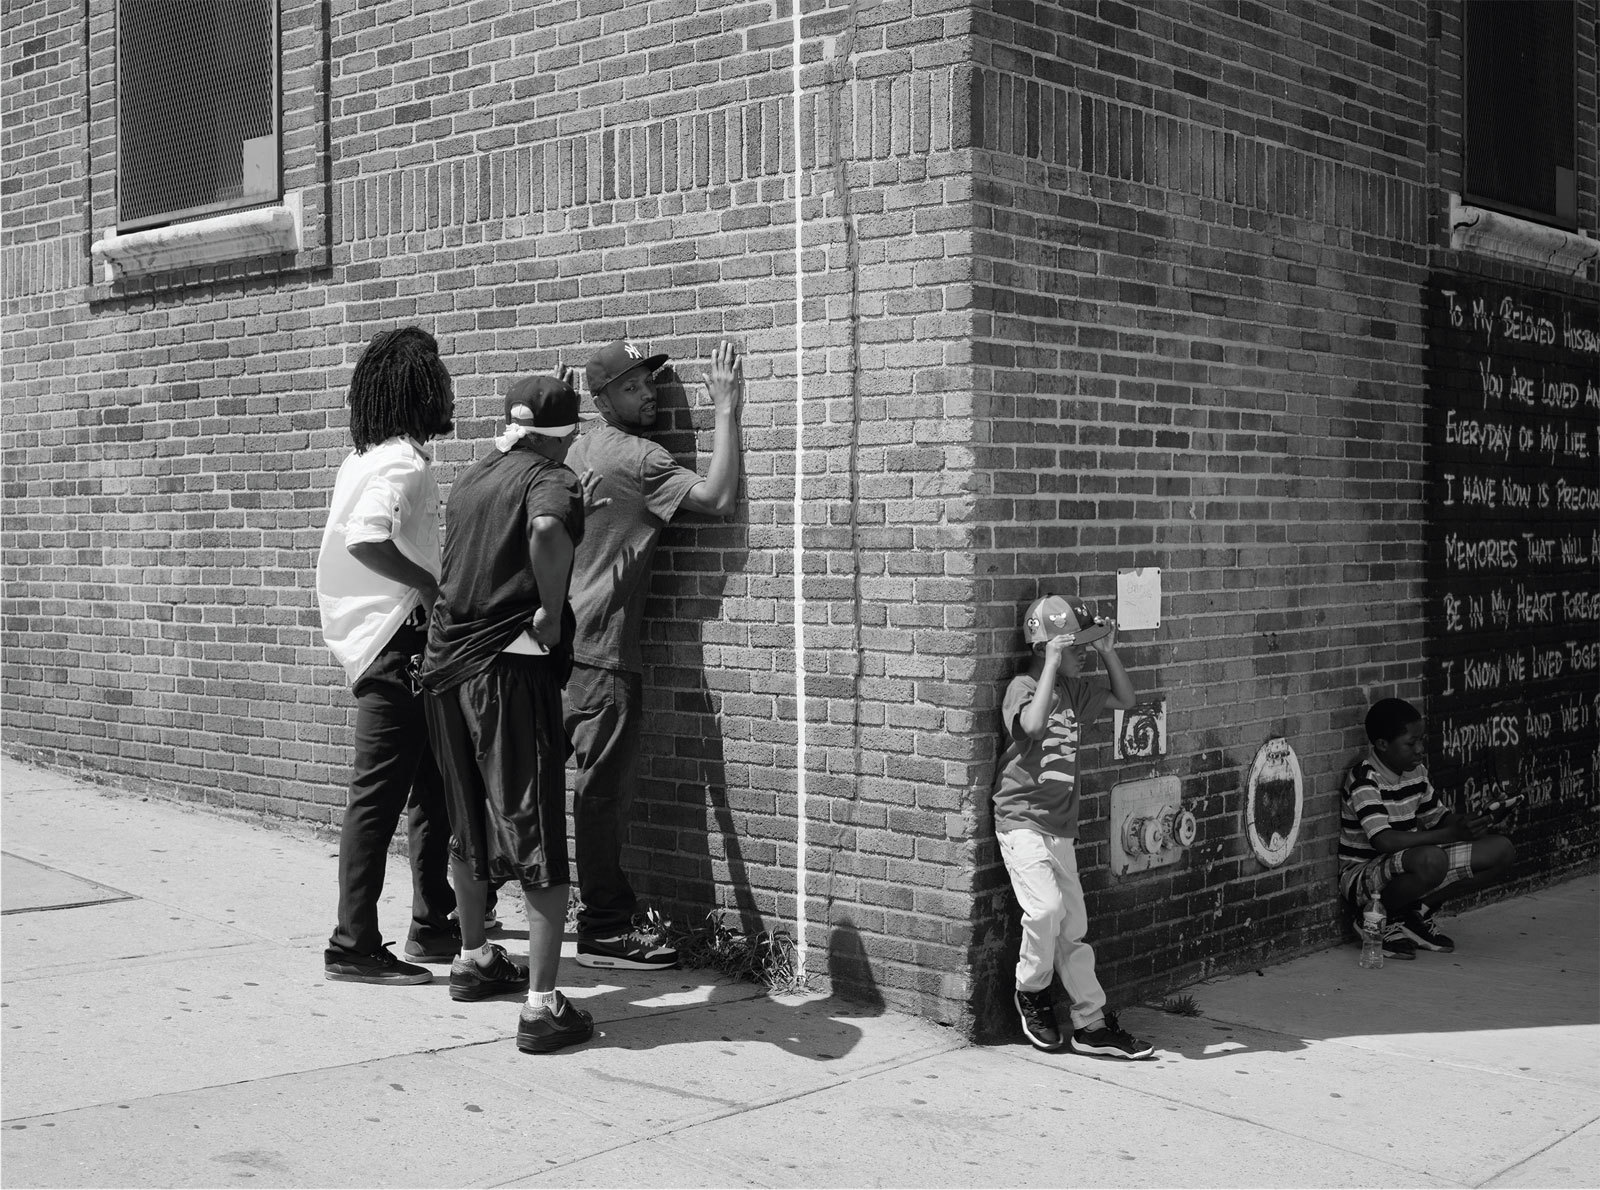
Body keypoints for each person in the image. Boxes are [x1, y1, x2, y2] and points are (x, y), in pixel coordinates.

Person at [421, 374, 592, 1054]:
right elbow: (548, 527)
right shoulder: (549, 478)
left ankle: (474, 957)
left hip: (443, 671)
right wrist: (551, 607)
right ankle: (543, 1006)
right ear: (561, 438)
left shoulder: (474, 474)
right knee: (537, 827)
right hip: (505, 672)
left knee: (467, 822)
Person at [564, 338, 743, 970]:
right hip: (605, 655)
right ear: (604, 396)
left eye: (651, 383)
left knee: (519, 787)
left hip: (549, 650)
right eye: (634, 385)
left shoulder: (570, 449)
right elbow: (719, 498)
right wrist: (725, 406)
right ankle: (606, 929)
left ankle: (463, 912)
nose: (650, 394)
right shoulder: (642, 460)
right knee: (601, 799)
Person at [316, 326, 460, 985]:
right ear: (420, 389)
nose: (450, 385)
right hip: (396, 643)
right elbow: (365, 539)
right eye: (441, 375)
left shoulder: (365, 458)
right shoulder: (403, 462)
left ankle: (434, 923)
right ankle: (352, 944)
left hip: (386, 642)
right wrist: (427, 583)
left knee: (432, 788)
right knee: (377, 797)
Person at [992, 594, 1153, 1059]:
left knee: (1072, 928)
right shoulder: (1024, 686)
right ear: (1048, 648)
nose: (1082, 653)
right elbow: (1035, 725)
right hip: (1021, 820)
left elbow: (1127, 699)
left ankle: (1091, 1023)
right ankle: (1032, 991)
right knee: (1044, 910)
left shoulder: (1078, 692)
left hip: (1061, 828)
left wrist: (1106, 650)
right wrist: (1052, 662)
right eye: (1075, 646)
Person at [1339, 697, 1516, 956]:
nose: (1420, 749)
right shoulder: (1365, 779)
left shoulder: (1416, 772)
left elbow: (1441, 819)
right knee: (1432, 859)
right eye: (1411, 743)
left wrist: (1481, 818)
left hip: (1409, 863)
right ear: (1382, 745)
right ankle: (1372, 918)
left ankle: (1414, 913)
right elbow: (1383, 841)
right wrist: (1448, 834)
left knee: (1502, 850)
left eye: (1421, 740)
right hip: (1364, 876)